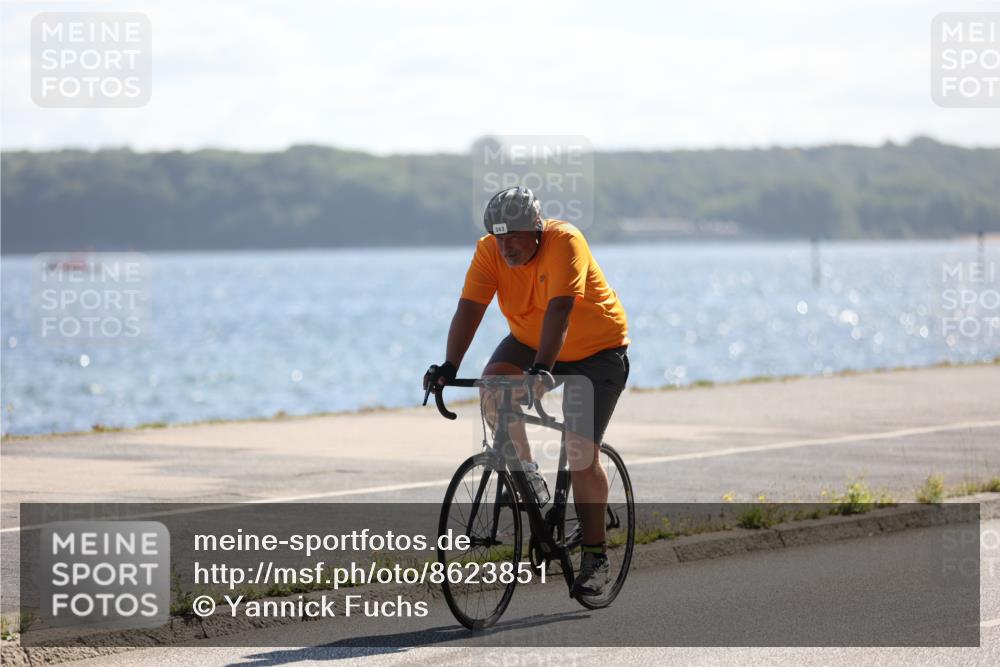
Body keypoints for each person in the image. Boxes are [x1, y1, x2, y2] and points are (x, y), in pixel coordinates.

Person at [423, 186, 630, 597]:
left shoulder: (564, 241)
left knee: (579, 450)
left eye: (514, 236)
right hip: (530, 339)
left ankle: (595, 557)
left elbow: (561, 309)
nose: (506, 247)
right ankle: (529, 477)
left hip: (595, 352)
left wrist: (541, 370)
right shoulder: (489, 251)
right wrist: (449, 367)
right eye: (499, 238)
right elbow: (470, 308)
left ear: (537, 229)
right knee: (492, 390)